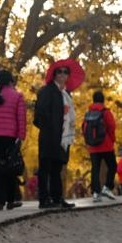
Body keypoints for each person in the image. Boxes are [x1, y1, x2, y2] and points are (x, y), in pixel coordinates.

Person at [0, 69, 27, 211]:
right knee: (10, 167)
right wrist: (21, 136)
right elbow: (21, 118)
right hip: (10, 135)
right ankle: (11, 200)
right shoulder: (17, 96)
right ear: (11, 81)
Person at [34, 64, 75, 209]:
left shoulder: (67, 94)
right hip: (49, 135)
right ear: (54, 74)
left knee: (57, 168)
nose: (63, 74)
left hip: (63, 137)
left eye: (66, 72)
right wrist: (49, 128)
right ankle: (44, 199)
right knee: (45, 168)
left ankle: (57, 197)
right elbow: (39, 114)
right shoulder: (47, 91)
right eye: (60, 72)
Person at [84, 90, 118, 202]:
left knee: (95, 169)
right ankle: (107, 187)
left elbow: (84, 129)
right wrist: (112, 140)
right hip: (106, 145)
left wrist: (89, 142)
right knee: (112, 166)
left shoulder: (88, 114)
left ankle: (95, 193)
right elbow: (112, 126)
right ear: (103, 100)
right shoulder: (106, 112)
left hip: (93, 147)